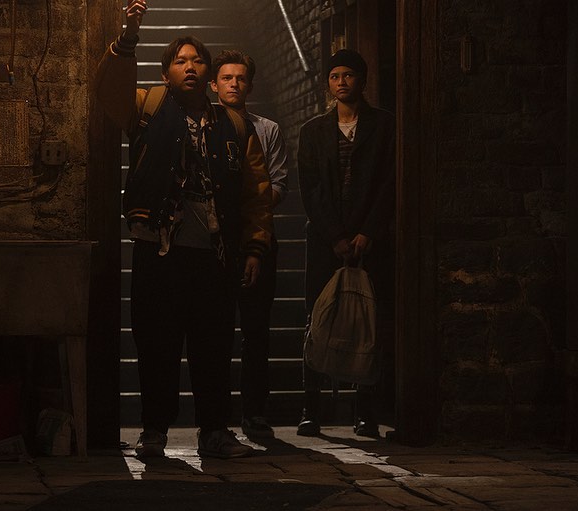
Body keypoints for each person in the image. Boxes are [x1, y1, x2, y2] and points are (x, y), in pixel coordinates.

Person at [95, 0, 273, 458]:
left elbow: (255, 193)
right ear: (166, 72)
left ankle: (214, 430)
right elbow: (109, 92)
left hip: (214, 255)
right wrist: (128, 36)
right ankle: (154, 430)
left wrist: (254, 247)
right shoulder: (148, 106)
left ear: (209, 74)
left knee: (214, 346)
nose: (190, 66)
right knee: (157, 344)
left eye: (197, 60)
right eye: (180, 60)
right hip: (159, 251)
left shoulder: (234, 125)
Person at [296, 49, 395, 437]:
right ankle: (311, 408)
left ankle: (365, 411)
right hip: (326, 240)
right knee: (318, 318)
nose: (341, 82)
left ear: (362, 81)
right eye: (335, 76)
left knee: (370, 320)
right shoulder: (313, 131)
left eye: (348, 75)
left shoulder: (383, 125)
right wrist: (335, 236)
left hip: (371, 239)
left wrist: (369, 231)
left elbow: (389, 182)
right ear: (328, 83)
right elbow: (311, 188)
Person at [210, 50, 289, 439]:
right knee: (216, 331)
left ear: (250, 85)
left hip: (258, 238)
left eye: (240, 78)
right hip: (218, 242)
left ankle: (255, 413)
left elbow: (277, 185)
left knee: (257, 331)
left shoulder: (267, 129)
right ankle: (217, 417)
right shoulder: (205, 125)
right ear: (214, 84)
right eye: (227, 78)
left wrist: (245, 206)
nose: (234, 84)